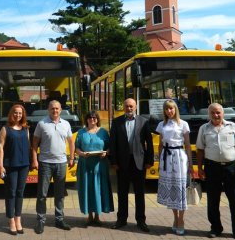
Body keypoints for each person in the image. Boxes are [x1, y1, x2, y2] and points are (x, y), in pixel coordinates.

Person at [196, 103, 235, 240]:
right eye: (213, 113)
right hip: (212, 168)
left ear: (223, 113)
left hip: (231, 168)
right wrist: (200, 169)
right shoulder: (204, 128)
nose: (216, 115)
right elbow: (200, 149)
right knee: (213, 200)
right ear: (209, 114)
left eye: (218, 112)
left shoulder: (233, 127)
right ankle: (215, 228)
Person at [109, 98, 153, 232]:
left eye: (131, 106)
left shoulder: (143, 121)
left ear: (136, 107)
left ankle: (141, 221)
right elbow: (113, 143)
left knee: (140, 193)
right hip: (122, 163)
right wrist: (114, 162)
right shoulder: (116, 122)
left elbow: (149, 143)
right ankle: (121, 219)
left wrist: (149, 161)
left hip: (139, 162)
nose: (129, 108)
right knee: (122, 192)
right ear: (123, 107)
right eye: (127, 106)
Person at [31, 100, 75, 234]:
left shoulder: (66, 124)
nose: (54, 111)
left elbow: (71, 142)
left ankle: (59, 219)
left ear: (60, 110)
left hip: (61, 163)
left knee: (60, 194)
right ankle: (40, 221)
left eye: (57, 108)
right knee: (42, 194)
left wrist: (71, 157)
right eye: (52, 109)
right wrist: (35, 160)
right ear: (48, 110)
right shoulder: (41, 124)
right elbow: (34, 144)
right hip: (45, 163)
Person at [156, 100, 192, 235]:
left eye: (171, 109)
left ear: (175, 109)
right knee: (171, 189)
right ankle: (175, 218)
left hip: (179, 156)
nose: (169, 111)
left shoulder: (183, 124)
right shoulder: (161, 124)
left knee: (180, 188)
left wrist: (190, 162)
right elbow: (160, 145)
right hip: (166, 157)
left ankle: (181, 220)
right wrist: (160, 160)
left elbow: (187, 145)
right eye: (166, 109)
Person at [75, 111, 114, 227]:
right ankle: (89, 216)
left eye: (94, 117)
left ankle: (97, 216)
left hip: (100, 165)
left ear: (97, 119)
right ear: (86, 119)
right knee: (88, 189)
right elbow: (76, 148)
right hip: (85, 165)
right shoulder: (81, 132)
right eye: (90, 117)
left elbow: (110, 147)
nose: (92, 119)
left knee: (99, 189)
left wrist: (106, 153)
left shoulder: (103, 132)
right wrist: (81, 154)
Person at [0, 104, 30, 235]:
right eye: (15, 112)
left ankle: (18, 219)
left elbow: (27, 146)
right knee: (11, 193)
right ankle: (11, 221)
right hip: (10, 166)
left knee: (20, 193)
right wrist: (0, 165)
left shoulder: (25, 129)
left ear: (23, 115)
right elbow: (0, 148)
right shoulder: (5, 129)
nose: (18, 115)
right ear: (11, 113)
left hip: (24, 166)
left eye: (20, 113)